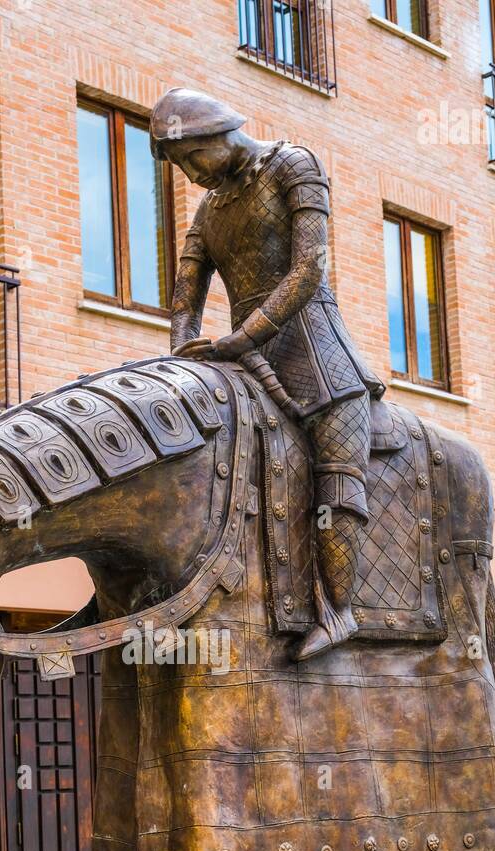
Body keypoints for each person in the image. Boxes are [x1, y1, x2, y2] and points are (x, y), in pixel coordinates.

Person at [150, 87, 384, 657]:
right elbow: (186, 296)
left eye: (190, 159)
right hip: (245, 361)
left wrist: (240, 336)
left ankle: (341, 608)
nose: (189, 175)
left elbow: (308, 270)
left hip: (318, 357)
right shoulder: (209, 210)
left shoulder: (295, 165)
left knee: (337, 473)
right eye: (178, 166)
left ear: (216, 134)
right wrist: (183, 348)